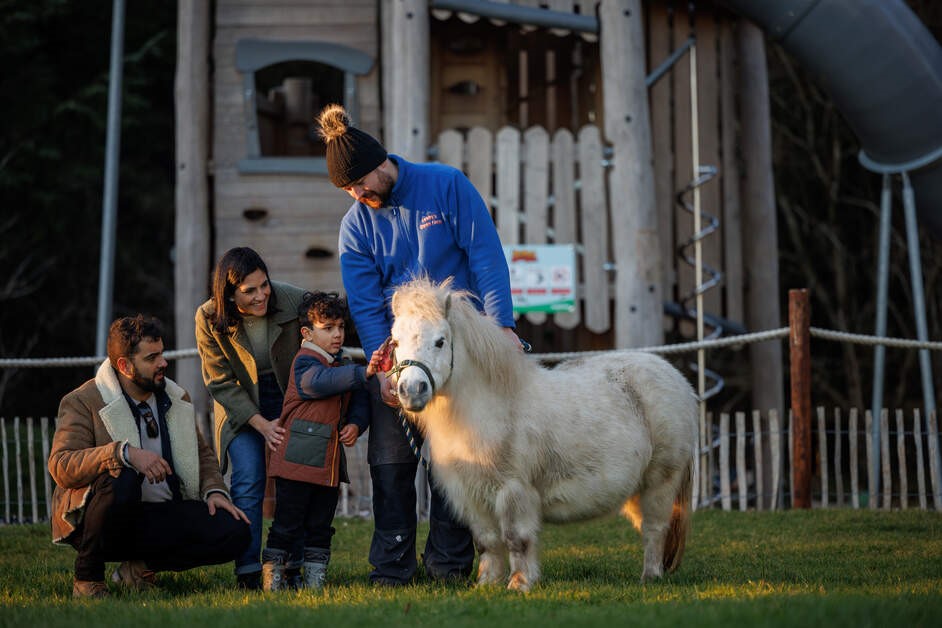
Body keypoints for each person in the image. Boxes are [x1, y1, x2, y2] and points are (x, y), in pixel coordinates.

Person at [317, 103, 521, 586]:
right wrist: (383, 367)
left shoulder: (446, 184)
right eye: (347, 190)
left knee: (456, 460)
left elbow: (485, 256)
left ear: (380, 163)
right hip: (400, 356)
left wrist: (502, 326)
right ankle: (392, 568)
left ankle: (448, 566)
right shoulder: (355, 227)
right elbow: (366, 305)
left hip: (456, 348)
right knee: (391, 464)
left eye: (360, 183)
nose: (357, 194)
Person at [48, 315, 251, 598]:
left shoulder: (176, 397)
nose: (163, 363)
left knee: (236, 531)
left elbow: (202, 454)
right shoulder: (83, 400)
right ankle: (88, 578)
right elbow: (61, 465)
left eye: (162, 354)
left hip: (159, 517)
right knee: (123, 478)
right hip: (101, 522)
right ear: (124, 366)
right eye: (152, 358)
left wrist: (214, 491)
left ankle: (138, 569)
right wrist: (124, 453)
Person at [195, 247, 308, 589]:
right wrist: (260, 423)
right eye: (249, 291)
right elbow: (220, 383)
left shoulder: (292, 299)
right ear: (229, 294)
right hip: (240, 401)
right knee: (248, 477)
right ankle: (247, 571)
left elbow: (331, 320)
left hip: (286, 394)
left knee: (294, 478)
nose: (261, 296)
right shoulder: (208, 317)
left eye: (264, 285)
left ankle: (292, 565)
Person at [261, 291, 382, 591]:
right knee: (287, 524)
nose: (337, 334)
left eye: (340, 327)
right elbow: (317, 384)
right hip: (296, 464)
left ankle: (314, 582)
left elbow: (359, 398)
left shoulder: (341, 365)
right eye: (327, 328)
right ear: (307, 333)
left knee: (320, 525)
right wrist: (363, 372)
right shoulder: (305, 362)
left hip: (328, 467)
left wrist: (356, 423)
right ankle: (273, 580)